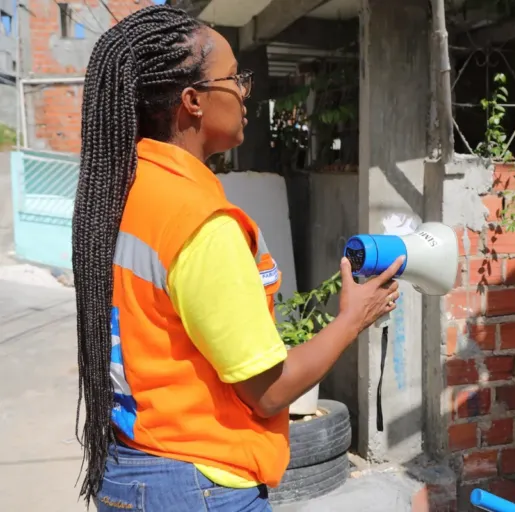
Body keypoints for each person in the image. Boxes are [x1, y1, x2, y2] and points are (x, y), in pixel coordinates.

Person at [71, 5, 402, 511]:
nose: (245, 92)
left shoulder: (120, 192)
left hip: (128, 470)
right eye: (233, 78)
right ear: (193, 101)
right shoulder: (199, 221)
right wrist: (353, 318)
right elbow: (269, 392)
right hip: (197, 483)